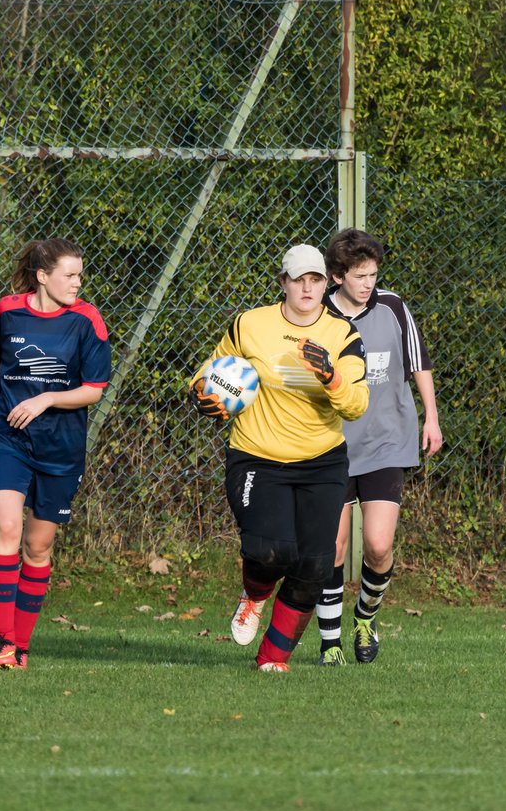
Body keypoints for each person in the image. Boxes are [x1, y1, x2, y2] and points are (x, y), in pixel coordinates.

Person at [189, 244, 369, 672]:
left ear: (327, 283)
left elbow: (357, 404)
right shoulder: (250, 324)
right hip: (256, 456)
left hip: (321, 461)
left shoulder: (342, 335)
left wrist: (331, 376)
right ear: (283, 282)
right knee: (272, 553)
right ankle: (253, 595)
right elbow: (210, 369)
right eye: (298, 279)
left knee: (317, 564)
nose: (307, 288)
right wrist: (202, 391)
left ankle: (273, 658)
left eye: (316, 280)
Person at [0, 238, 111, 670]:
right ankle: (3, 643)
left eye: (80, 275)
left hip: (60, 446)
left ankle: (22, 645)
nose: (78, 283)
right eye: (70, 275)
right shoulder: (7, 311)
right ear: (43, 277)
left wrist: (46, 400)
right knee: (6, 527)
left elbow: (94, 390)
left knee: (37, 548)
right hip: (7, 437)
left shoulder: (87, 321)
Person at [314, 228, 443, 665]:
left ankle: (365, 619)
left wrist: (432, 418)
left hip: (388, 441)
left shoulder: (392, 306)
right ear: (336, 277)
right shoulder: (318, 316)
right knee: (331, 548)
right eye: (359, 276)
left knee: (379, 545)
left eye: (373, 274)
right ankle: (329, 644)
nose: (369, 283)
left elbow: (418, 362)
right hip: (333, 446)